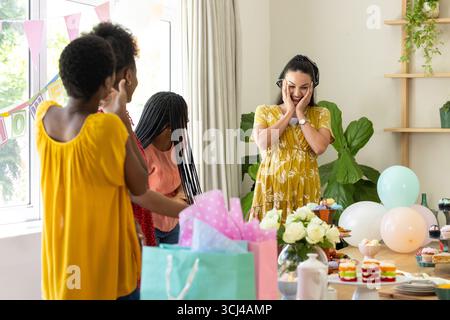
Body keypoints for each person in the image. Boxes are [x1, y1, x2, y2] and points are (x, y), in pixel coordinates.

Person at [36, 35, 146, 300]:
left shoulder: (44, 116)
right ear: (108, 81)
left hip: (62, 265)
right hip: (104, 269)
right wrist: (119, 116)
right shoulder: (106, 128)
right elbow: (141, 184)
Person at [90, 22, 187, 247]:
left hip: (130, 231)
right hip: (119, 237)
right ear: (128, 76)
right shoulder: (107, 124)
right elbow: (139, 189)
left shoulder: (115, 120)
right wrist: (185, 210)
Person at [250, 54, 333, 222]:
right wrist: (288, 113)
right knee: (269, 244)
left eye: (304, 87)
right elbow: (262, 142)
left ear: (312, 88)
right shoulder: (265, 111)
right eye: (291, 86)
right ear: (282, 84)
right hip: (271, 189)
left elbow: (319, 147)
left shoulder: (321, 114)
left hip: (305, 189)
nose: (296, 93)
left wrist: (301, 113)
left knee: (305, 241)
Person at [135, 92, 202, 245]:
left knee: (174, 266)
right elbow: (140, 197)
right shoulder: (141, 152)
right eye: (184, 119)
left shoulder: (178, 145)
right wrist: (174, 201)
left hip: (173, 224)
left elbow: (182, 179)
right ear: (167, 127)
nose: (188, 122)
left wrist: (180, 194)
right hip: (150, 226)